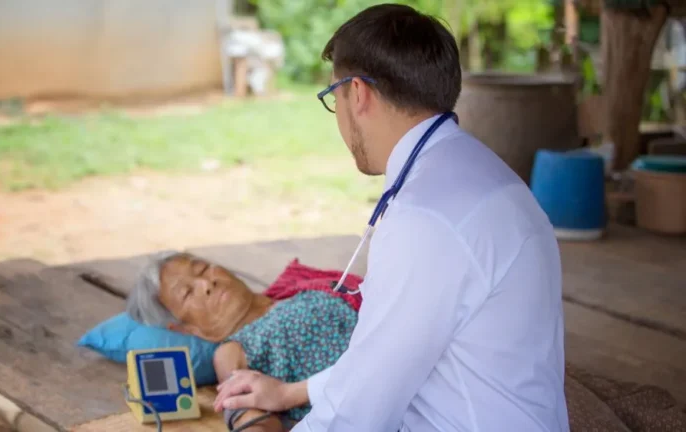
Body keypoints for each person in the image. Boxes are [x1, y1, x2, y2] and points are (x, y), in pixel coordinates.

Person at [213, 4, 570, 432]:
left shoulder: (425, 217)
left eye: (334, 99)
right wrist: (293, 392)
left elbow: (359, 414)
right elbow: (390, 353)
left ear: (357, 93)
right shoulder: (485, 174)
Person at [126, 252, 365, 431]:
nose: (207, 284)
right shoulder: (231, 351)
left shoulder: (298, 287)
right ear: (185, 328)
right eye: (187, 293)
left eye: (202, 269)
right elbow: (249, 417)